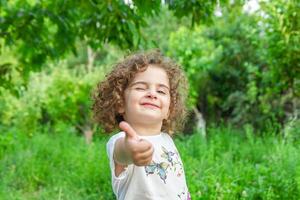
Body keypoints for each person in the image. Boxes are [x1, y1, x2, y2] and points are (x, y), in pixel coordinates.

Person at [92, 50, 191, 200]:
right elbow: (122, 154)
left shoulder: (166, 140)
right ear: (120, 103)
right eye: (140, 88)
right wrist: (130, 150)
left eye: (161, 91)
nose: (152, 94)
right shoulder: (120, 142)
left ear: (169, 111)